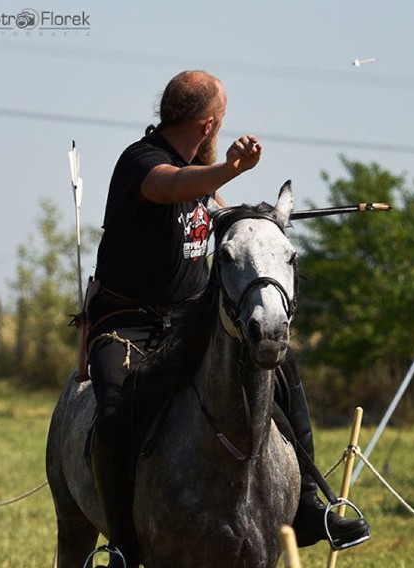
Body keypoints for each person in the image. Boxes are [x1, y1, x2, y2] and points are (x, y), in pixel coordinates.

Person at [85, 69, 369, 568]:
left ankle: (305, 508)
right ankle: (125, 547)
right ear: (209, 122)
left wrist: (258, 217)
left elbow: (220, 212)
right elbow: (171, 187)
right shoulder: (143, 161)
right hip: (127, 322)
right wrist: (231, 168)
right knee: (112, 413)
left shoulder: (200, 170)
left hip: (189, 321)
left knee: (280, 368)